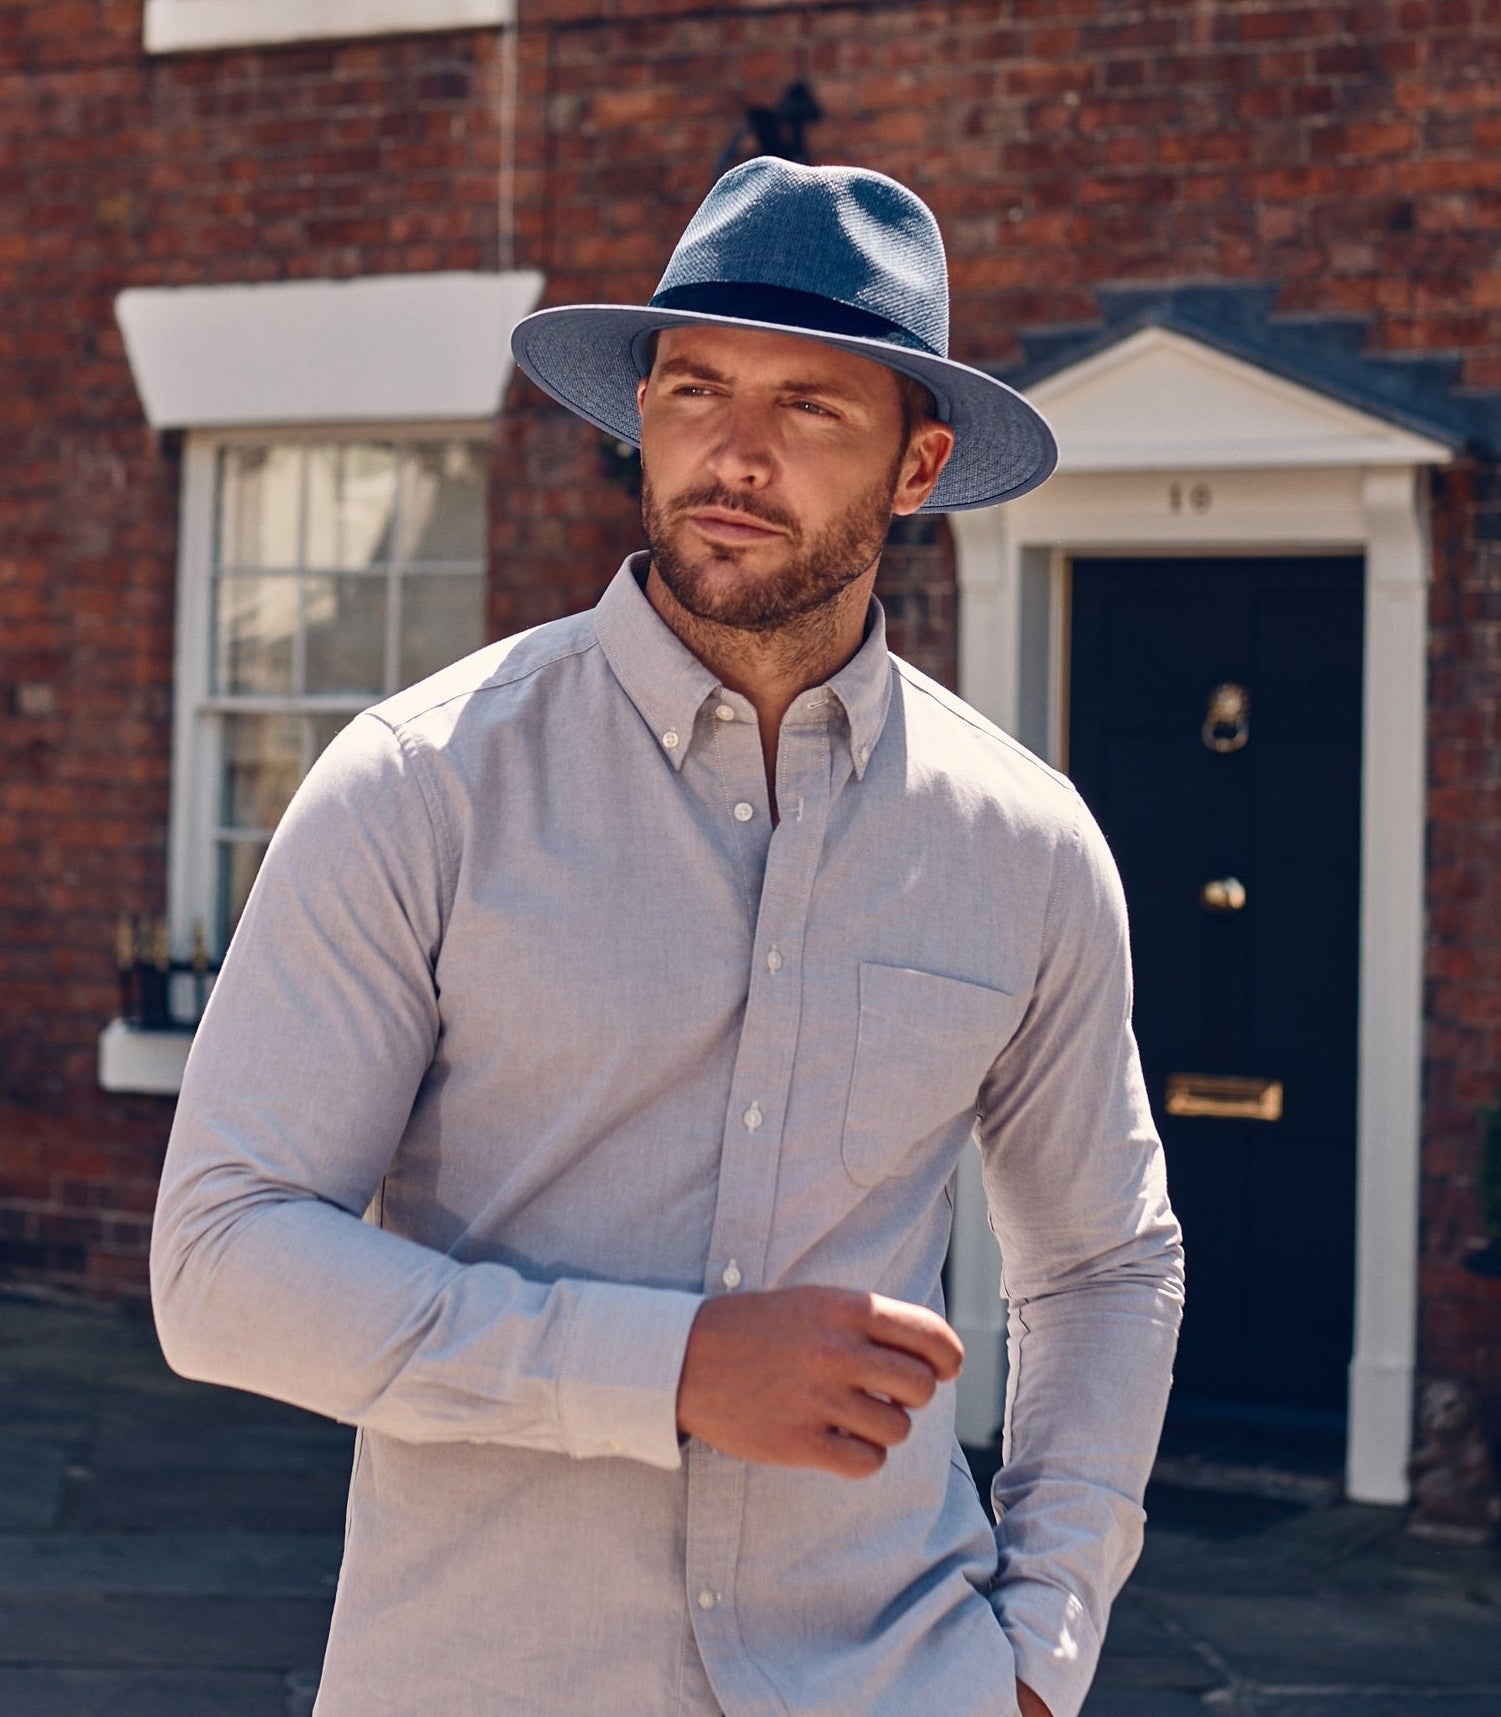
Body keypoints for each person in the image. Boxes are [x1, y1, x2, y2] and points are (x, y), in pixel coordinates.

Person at [152, 157, 1183, 1717]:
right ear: (640, 409)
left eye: (810, 409)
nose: (734, 454)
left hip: (893, 1677)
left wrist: (1043, 1641)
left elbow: (1105, 1259)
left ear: (918, 467)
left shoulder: (1023, 844)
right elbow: (221, 1261)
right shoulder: (425, 783)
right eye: (694, 389)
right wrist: (671, 1368)